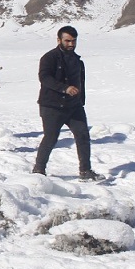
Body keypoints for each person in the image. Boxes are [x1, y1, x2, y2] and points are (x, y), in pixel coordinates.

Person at [33, 26, 101, 180]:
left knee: (83, 135)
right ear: (59, 40)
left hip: (74, 106)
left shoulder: (77, 61)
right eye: (68, 41)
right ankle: (39, 170)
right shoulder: (49, 58)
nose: (71, 44)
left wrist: (80, 101)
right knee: (50, 137)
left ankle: (85, 171)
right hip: (52, 106)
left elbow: (80, 82)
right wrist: (64, 88)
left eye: (74, 41)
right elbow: (45, 78)